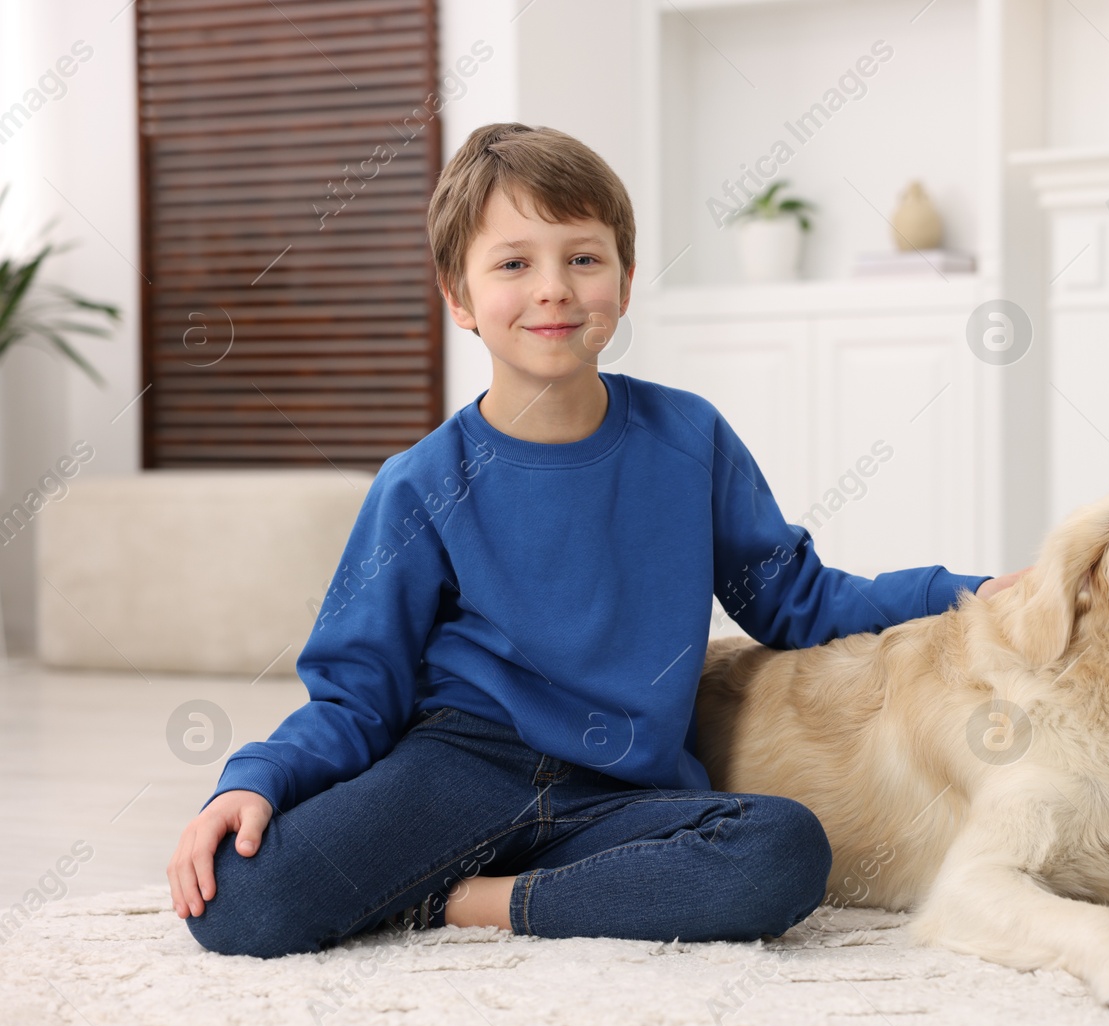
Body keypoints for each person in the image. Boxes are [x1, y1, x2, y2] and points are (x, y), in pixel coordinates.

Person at [167, 122, 1026, 958]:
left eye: (583, 257)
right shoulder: (419, 483)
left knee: (781, 850)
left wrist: (959, 589)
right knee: (241, 901)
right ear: (458, 297)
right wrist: (253, 779)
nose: (554, 288)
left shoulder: (690, 438)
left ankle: (469, 899)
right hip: (459, 766)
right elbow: (355, 692)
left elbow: (794, 597)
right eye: (514, 264)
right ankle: (509, 881)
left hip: (622, 793)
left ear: (625, 274)